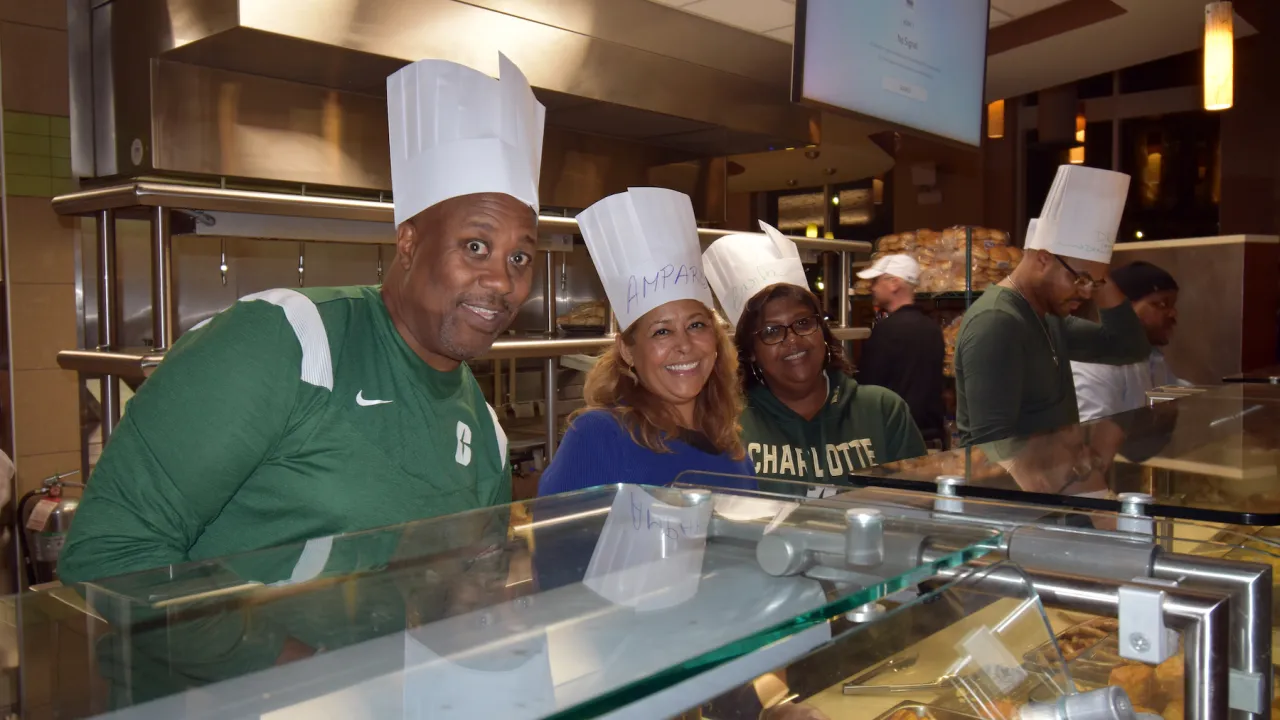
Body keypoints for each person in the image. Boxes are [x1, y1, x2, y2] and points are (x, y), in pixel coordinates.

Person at [60, 53, 546, 584]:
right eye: (475, 245)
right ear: (408, 244)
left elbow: (462, 599)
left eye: (519, 257)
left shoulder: (488, 437)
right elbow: (108, 555)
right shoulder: (284, 342)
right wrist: (284, 655)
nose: (502, 281)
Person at [536, 188, 755, 495]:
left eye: (696, 325)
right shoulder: (599, 437)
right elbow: (557, 541)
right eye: (662, 331)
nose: (685, 344)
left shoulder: (730, 445)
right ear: (627, 350)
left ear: (716, 340)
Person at [703, 221, 925, 496]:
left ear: (822, 331)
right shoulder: (731, 425)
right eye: (772, 331)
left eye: (803, 322)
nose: (793, 340)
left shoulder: (883, 412)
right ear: (750, 351)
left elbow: (918, 510)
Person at [954, 165, 1150, 447]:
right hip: (1013, 489)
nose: (1086, 293)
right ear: (1044, 259)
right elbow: (993, 448)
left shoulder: (1048, 318)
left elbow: (1129, 346)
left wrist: (1097, 276)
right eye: (1080, 278)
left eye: (1095, 282)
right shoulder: (998, 322)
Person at [1072, 261, 1186, 421]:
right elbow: (1088, 435)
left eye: (1173, 305)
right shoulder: (1098, 365)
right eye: (1161, 304)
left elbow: (1172, 388)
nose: (1173, 313)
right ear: (1125, 308)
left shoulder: (1152, 357)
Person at [855, 254, 948, 448]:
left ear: (894, 283)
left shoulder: (887, 331)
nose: (872, 288)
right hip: (932, 438)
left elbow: (868, 390)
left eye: (876, 281)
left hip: (897, 440)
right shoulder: (932, 328)